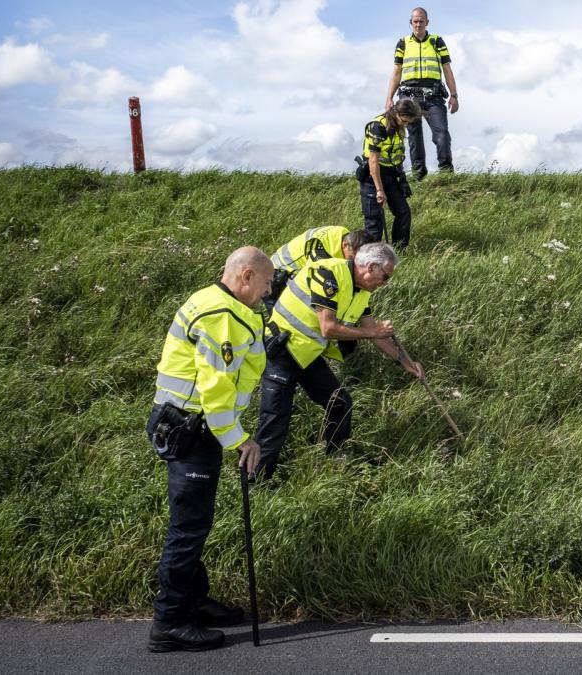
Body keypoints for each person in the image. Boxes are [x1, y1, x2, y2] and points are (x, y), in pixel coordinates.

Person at [147, 246, 274, 652]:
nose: (268, 292)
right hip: (192, 430)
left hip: (194, 428)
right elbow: (215, 388)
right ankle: (169, 623)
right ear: (247, 276)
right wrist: (239, 440)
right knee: (187, 529)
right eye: (267, 283)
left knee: (194, 522)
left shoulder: (219, 304)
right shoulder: (221, 315)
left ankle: (194, 601)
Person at [255, 242, 424, 480]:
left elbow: (374, 332)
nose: (385, 283)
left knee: (340, 403)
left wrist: (405, 361)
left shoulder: (362, 292)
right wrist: (374, 332)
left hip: (307, 354)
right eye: (385, 277)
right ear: (371, 267)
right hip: (282, 349)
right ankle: (256, 481)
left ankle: (335, 458)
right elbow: (328, 328)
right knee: (275, 420)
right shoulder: (329, 273)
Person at [384, 7, 460, 180]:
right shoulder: (402, 43)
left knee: (441, 134)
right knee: (414, 137)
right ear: (411, 23)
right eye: (415, 21)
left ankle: (446, 174)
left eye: (421, 21)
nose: (418, 24)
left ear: (427, 22)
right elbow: (396, 72)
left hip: (434, 96)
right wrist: (389, 97)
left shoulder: (437, 41)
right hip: (409, 97)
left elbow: (447, 69)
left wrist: (454, 95)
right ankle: (419, 176)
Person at [358, 99, 422, 249]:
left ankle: (399, 252)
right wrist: (379, 190)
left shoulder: (399, 126)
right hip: (372, 176)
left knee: (403, 212)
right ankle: (371, 259)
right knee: (375, 222)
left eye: (408, 122)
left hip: (392, 175)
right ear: (396, 113)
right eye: (404, 120)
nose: (405, 124)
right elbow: (373, 161)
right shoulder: (377, 126)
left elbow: (396, 154)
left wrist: (402, 178)